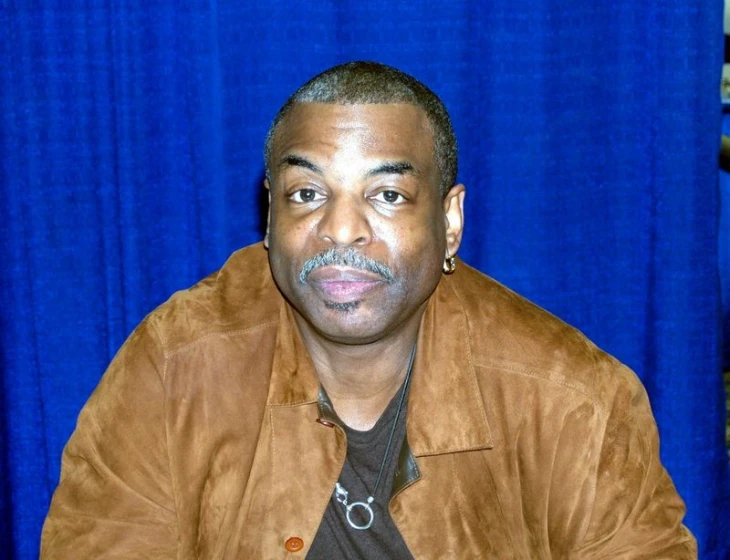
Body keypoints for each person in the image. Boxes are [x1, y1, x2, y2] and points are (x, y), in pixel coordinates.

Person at [41, 61, 696, 558]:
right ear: (269, 217)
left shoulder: (573, 400)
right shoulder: (174, 370)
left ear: (450, 220)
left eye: (386, 195)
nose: (341, 229)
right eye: (306, 193)